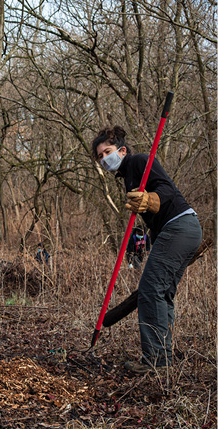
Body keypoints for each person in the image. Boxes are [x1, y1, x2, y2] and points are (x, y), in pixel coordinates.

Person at [92, 126, 201, 373]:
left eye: (107, 152)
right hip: (178, 230)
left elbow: (167, 189)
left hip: (180, 226)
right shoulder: (127, 174)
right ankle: (163, 357)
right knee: (161, 294)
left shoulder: (139, 161)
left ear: (122, 150)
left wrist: (150, 199)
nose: (104, 159)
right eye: (99, 156)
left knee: (150, 291)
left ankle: (156, 361)